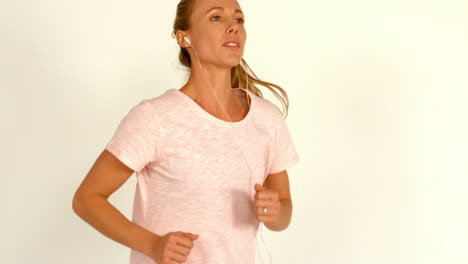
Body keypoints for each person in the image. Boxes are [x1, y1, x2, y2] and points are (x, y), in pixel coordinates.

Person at [72, 0, 299, 263]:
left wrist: (274, 212)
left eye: (239, 20)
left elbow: (284, 212)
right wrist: (153, 244)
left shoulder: (267, 119)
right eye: (216, 18)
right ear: (184, 37)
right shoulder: (155, 118)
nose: (233, 27)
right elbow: (87, 199)